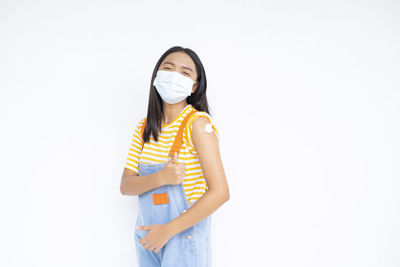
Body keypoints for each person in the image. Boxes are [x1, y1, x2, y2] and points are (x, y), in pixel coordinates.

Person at [120, 46, 230, 267]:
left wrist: (167, 232)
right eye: (168, 69)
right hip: (148, 237)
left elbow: (220, 192)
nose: (174, 76)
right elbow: (126, 186)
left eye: (185, 73)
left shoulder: (198, 124)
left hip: (182, 238)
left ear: (194, 86)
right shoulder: (144, 128)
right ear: (157, 75)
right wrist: (162, 177)